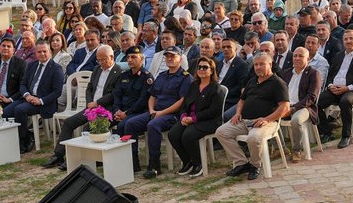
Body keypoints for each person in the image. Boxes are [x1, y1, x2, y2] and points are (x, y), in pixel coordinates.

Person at [42, 45, 121, 170]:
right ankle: (58, 155)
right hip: (91, 108)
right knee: (69, 122)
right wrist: (90, 103)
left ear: (112, 57)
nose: (101, 62)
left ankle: (78, 159)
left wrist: (97, 103)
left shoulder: (119, 72)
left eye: (103, 59)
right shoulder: (97, 69)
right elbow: (89, 88)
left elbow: (114, 94)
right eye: (98, 60)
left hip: (106, 110)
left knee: (88, 127)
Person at [117, 46, 191, 178]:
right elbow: (152, 96)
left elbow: (182, 101)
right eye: (167, 56)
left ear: (180, 58)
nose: (169, 58)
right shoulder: (162, 76)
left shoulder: (185, 77)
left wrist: (161, 113)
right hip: (155, 112)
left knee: (153, 125)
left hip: (172, 115)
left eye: (173, 56)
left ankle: (154, 164)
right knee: (131, 123)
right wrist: (152, 110)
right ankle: (134, 163)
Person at [217, 52, 290, 181]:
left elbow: (285, 107)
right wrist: (238, 113)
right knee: (221, 132)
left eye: (261, 64)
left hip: (267, 122)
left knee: (254, 137)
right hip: (244, 120)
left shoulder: (278, 83)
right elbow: (241, 101)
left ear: (270, 64)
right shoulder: (252, 81)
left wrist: (267, 119)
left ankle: (255, 165)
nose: (258, 67)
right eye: (256, 64)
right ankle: (242, 163)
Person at [2, 41, 66, 154]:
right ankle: (26, 135)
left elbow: (57, 92)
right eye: (39, 52)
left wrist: (40, 100)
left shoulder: (56, 68)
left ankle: (23, 140)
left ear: (50, 52)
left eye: (44, 51)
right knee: (5, 112)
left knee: (19, 110)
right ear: (36, 53)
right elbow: (23, 84)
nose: (42, 54)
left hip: (44, 103)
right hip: (27, 98)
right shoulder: (32, 65)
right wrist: (27, 95)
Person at [165, 56, 224, 177]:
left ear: (211, 70)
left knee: (188, 135)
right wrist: (183, 116)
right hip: (190, 119)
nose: (201, 69)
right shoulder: (193, 85)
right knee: (173, 134)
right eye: (199, 67)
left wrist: (194, 118)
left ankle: (198, 163)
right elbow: (185, 104)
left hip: (209, 121)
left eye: (205, 67)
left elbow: (214, 111)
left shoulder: (215, 88)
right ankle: (188, 161)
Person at [316, 26, 353, 148]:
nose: (348, 41)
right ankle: (326, 132)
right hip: (335, 89)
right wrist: (331, 85)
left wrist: (347, 88)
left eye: (351, 38)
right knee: (316, 103)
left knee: (345, 101)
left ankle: (346, 136)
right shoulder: (338, 56)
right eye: (345, 39)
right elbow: (330, 75)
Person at [280, 46, 322, 162]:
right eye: (295, 56)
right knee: (269, 116)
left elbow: (311, 97)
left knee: (296, 120)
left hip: (304, 107)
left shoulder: (313, 73)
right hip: (286, 106)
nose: (297, 58)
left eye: (301, 56)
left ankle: (297, 150)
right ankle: (282, 149)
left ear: (308, 59)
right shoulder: (286, 73)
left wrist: (293, 109)